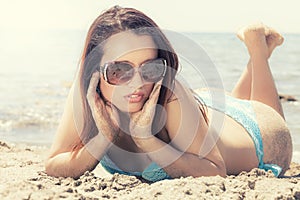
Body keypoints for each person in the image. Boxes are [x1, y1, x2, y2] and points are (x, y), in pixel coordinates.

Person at [45, 6, 292, 182]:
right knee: (226, 108)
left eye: (150, 68)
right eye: (120, 70)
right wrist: (102, 139)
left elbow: (215, 170)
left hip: (257, 134)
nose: (138, 83)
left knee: (262, 110)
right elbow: (54, 164)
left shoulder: (168, 91)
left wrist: (147, 140)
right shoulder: (88, 91)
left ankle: (257, 48)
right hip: (204, 114)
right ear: (95, 70)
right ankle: (255, 54)